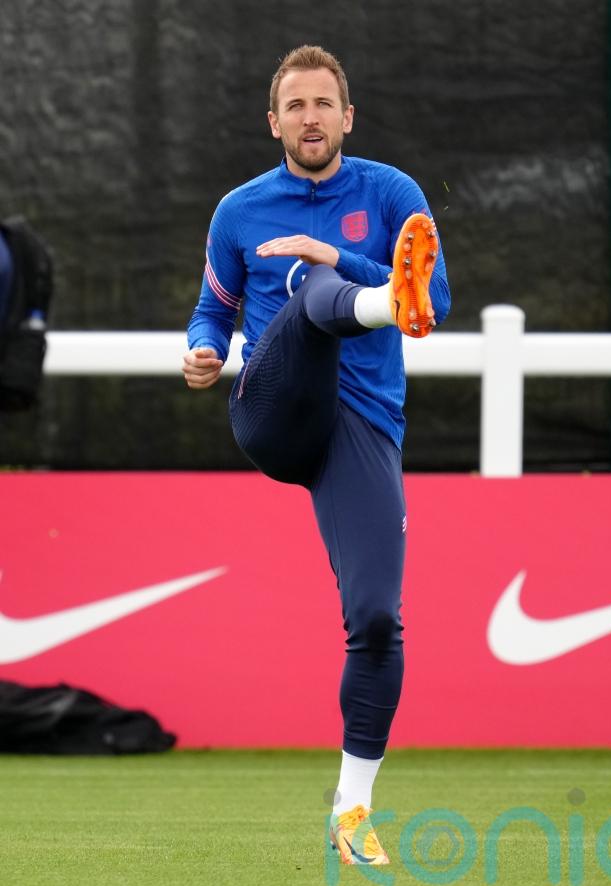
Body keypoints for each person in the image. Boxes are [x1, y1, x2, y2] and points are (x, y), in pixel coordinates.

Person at [183, 45, 450, 865]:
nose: (310, 117)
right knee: (307, 288)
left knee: (376, 618)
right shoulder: (239, 210)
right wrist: (201, 348)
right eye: (295, 105)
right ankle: (369, 298)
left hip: (360, 426)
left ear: (347, 117)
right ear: (274, 122)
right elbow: (213, 310)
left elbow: (436, 302)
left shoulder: (392, 193)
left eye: (323, 104)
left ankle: (351, 809)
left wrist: (342, 256)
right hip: (275, 408)